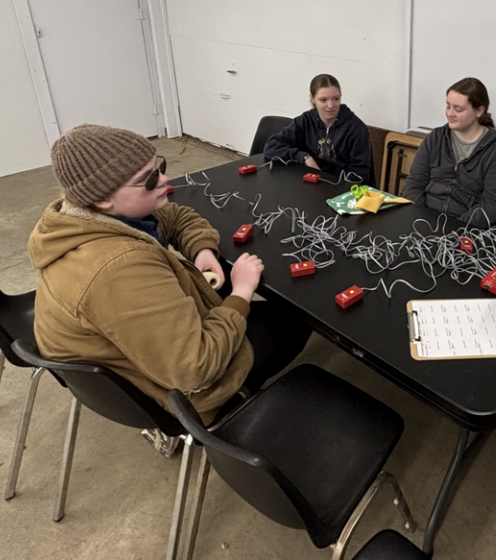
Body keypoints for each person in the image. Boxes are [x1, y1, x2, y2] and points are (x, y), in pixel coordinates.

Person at [29, 124, 311, 425]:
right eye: (149, 180)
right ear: (102, 198)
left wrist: (201, 249)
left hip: (149, 355)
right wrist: (240, 294)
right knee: (297, 319)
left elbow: (175, 216)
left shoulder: (94, 217)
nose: (163, 180)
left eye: (159, 167)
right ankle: (237, 410)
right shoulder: (119, 270)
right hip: (180, 394)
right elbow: (195, 370)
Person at [401, 77, 496, 228]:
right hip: (425, 220)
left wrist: (454, 229)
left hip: (466, 230)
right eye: (448, 106)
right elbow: (414, 185)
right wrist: (422, 219)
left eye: (458, 109)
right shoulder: (435, 138)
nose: (450, 113)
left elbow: (491, 207)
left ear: (479, 111)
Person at [264, 73, 373, 184]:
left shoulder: (355, 128)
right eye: (323, 100)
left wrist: (332, 184)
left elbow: (360, 174)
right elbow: (271, 146)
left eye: (336, 99)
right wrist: (304, 157)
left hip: (341, 190)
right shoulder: (305, 121)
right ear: (312, 99)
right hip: (310, 186)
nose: (330, 105)